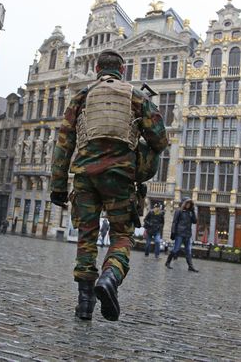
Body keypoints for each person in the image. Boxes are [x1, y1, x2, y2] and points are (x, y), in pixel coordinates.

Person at [49, 49, 168, 322]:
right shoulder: (136, 96)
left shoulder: (81, 96)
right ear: (122, 70)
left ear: (96, 69)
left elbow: (64, 144)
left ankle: (84, 304)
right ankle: (110, 277)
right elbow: (160, 141)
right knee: (122, 235)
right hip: (120, 177)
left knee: (87, 237)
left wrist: (57, 186)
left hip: (85, 178)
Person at [165, 198, 199, 273]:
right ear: (184, 203)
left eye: (189, 204)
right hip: (179, 233)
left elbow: (195, 221)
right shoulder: (179, 211)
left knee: (188, 250)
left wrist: (193, 211)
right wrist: (173, 233)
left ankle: (190, 266)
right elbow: (174, 222)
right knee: (176, 249)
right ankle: (168, 262)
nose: (188, 205)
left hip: (187, 234)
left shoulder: (190, 212)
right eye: (187, 203)